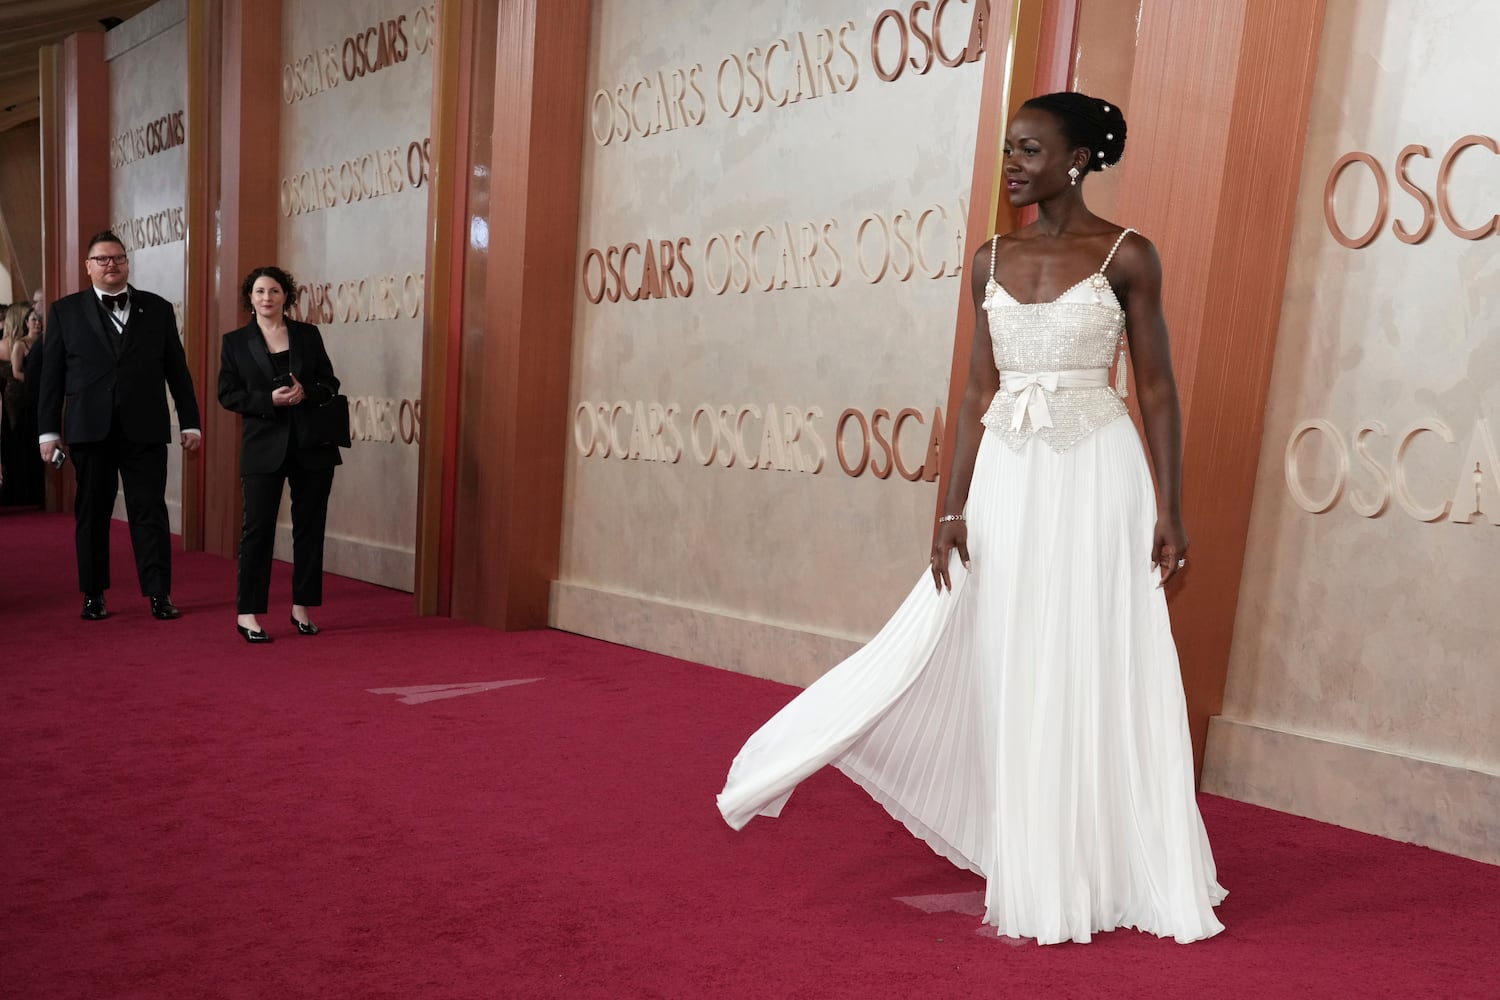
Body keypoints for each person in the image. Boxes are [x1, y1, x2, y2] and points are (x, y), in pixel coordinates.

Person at [716, 93, 1226, 945]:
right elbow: (978, 392)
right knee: (1013, 653)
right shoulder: (989, 260)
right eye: (1008, 151)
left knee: (1095, 652)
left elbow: (1159, 389)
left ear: (1077, 159)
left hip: (1099, 474)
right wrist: (949, 505)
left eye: (1029, 150)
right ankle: (1035, 860)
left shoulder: (1129, 256)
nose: (1013, 165)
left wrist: (1172, 508)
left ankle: (1110, 864)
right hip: (1010, 481)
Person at [37, 231, 202, 620]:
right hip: (89, 429)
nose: (111, 265)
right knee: (93, 513)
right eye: (102, 259)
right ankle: (93, 594)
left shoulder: (157, 309)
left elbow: (178, 371)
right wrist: (48, 432)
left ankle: (159, 593)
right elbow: (51, 378)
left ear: (127, 263)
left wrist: (191, 422)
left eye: (118, 258)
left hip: (144, 427)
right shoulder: (65, 311)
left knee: (150, 511)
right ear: (88, 267)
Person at [217, 266, 341, 643]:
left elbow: (330, 383)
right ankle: (248, 614)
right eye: (259, 291)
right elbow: (227, 394)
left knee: (310, 528)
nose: (267, 297)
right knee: (256, 530)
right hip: (262, 447)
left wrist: (308, 393)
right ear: (249, 299)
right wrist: (267, 400)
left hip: (311, 446)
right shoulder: (235, 342)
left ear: (286, 295)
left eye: (274, 290)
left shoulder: (308, 334)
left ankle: (301, 607)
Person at [1, 304, 43, 505]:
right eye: (33, 319)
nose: (37, 323)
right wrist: (38, 383)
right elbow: (17, 372)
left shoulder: (44, 341)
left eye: (39, 320)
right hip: (18, 395)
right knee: (18, 438)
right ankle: (18, 490)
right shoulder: (19, 344)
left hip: (36, 396)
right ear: (25, 322)